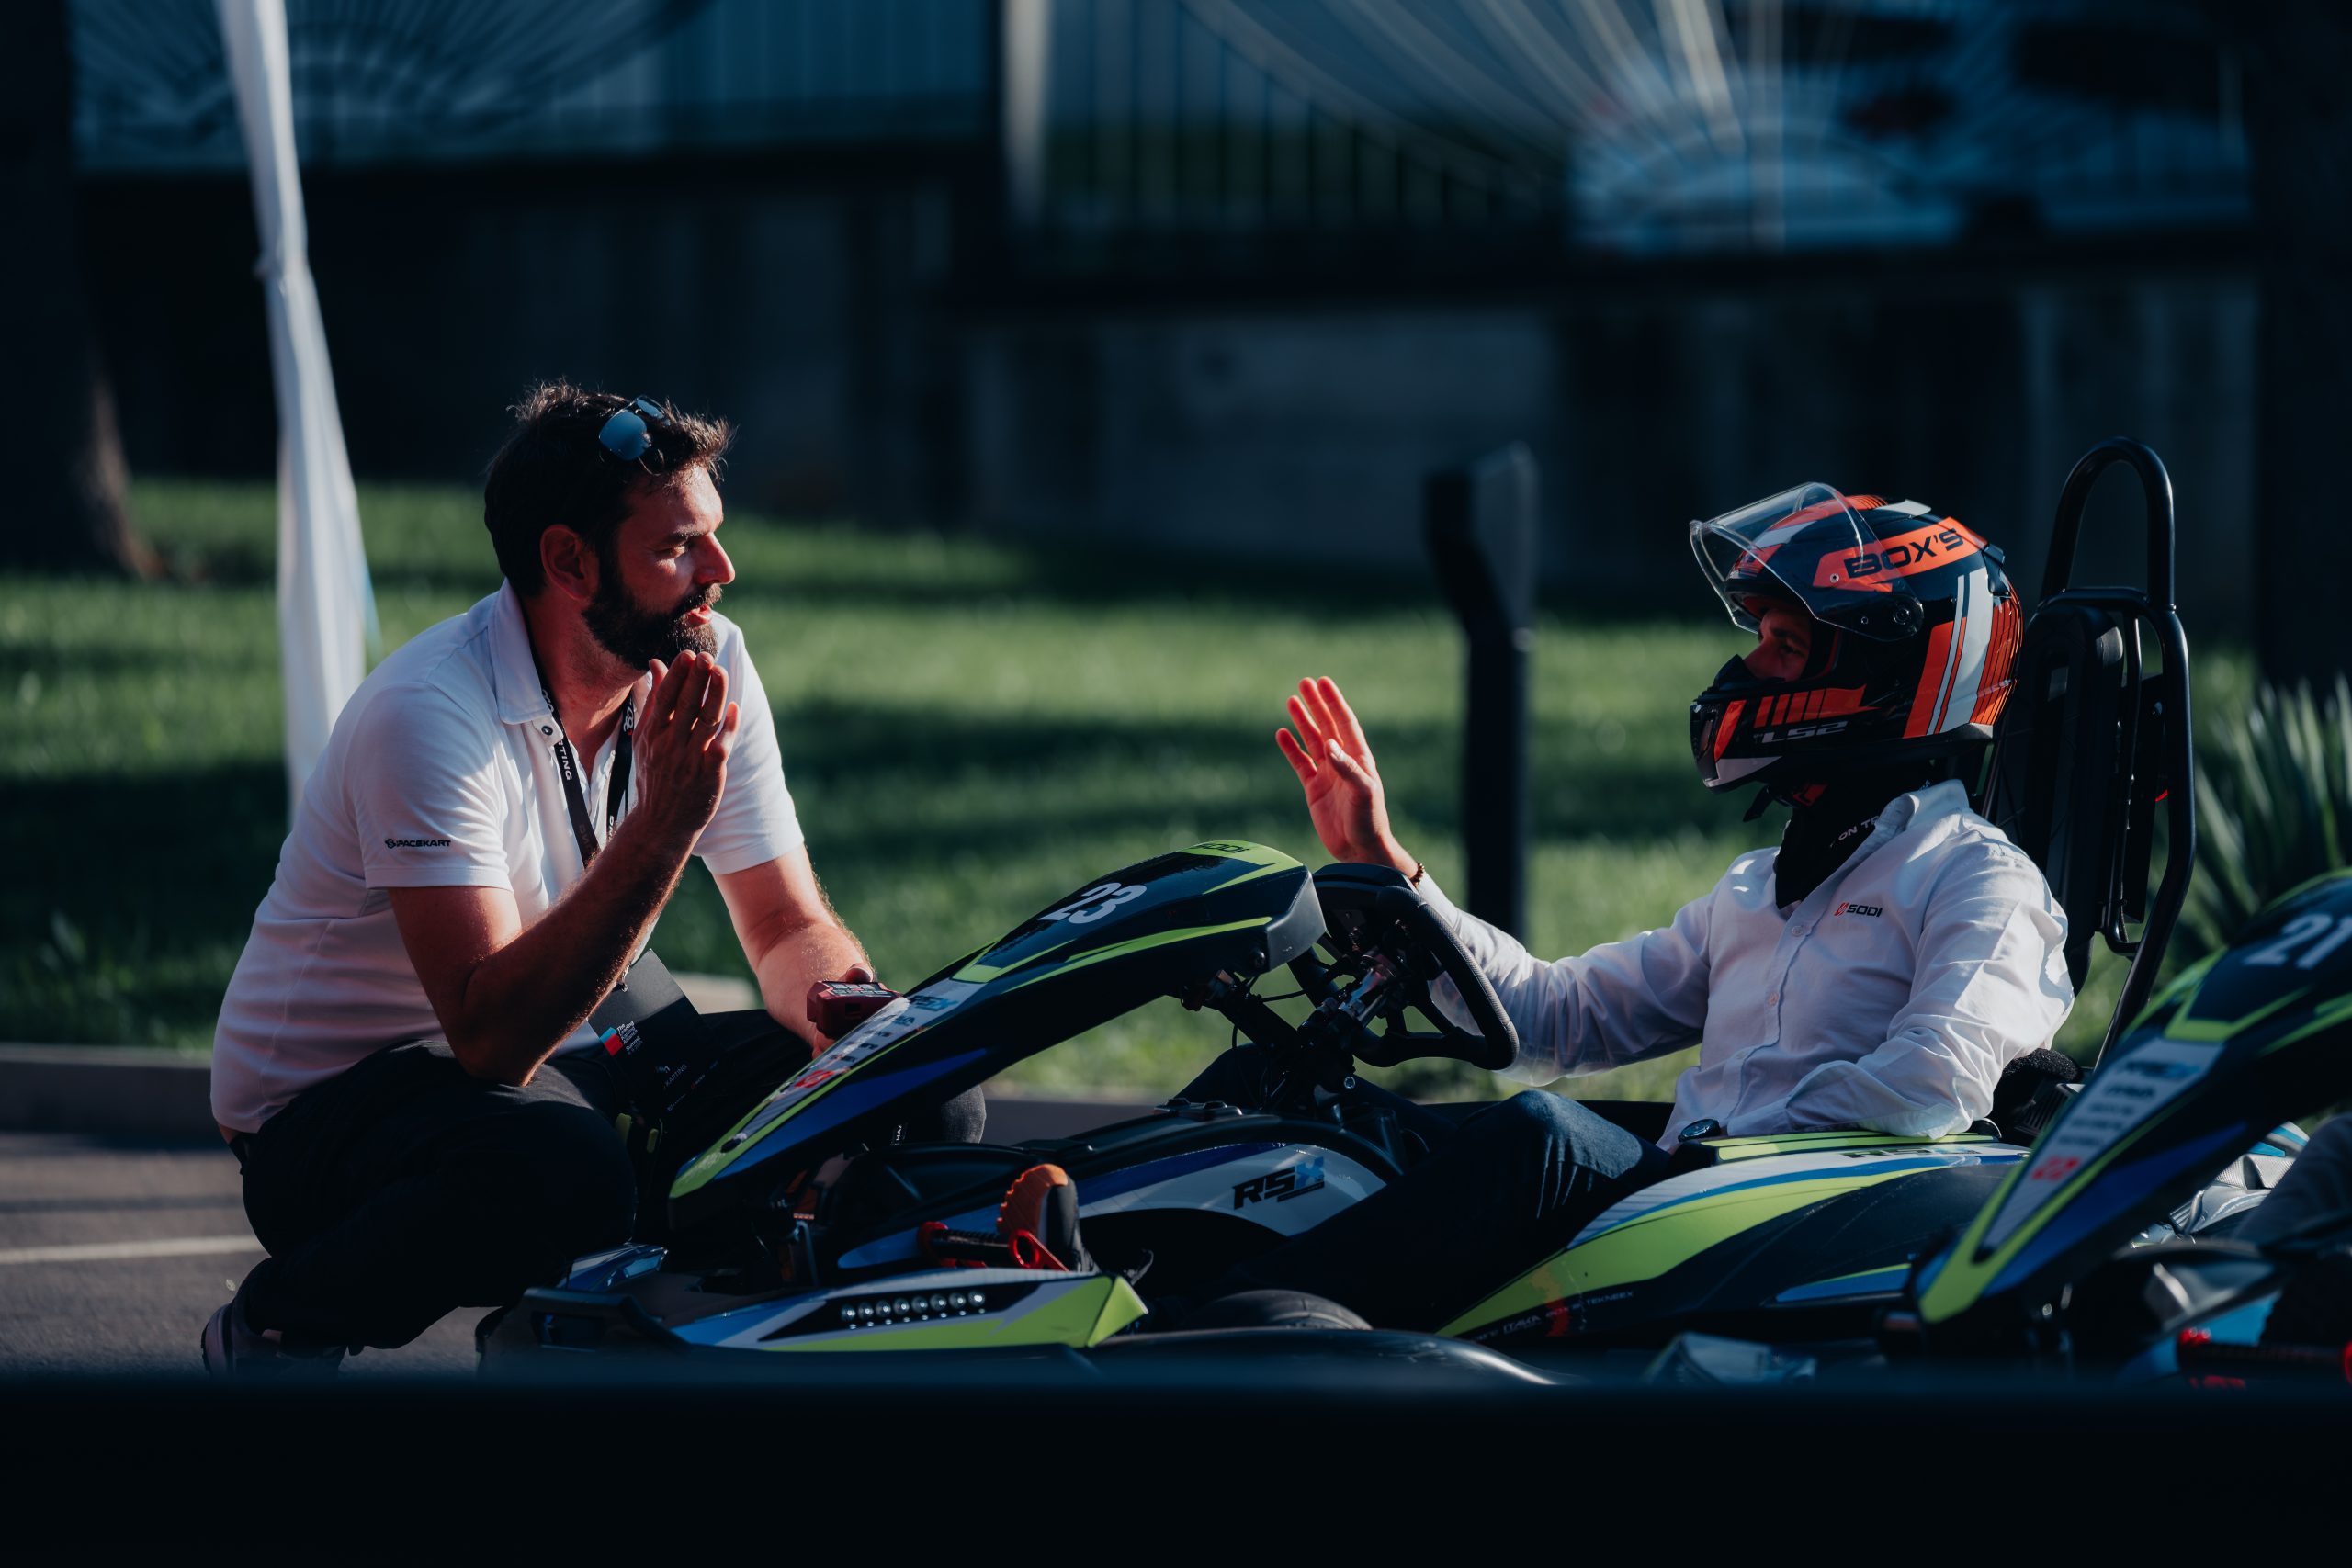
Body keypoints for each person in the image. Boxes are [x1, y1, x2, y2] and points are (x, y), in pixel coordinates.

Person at [201, 384, 974, 1375]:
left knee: (922, 1089)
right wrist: (662, 828)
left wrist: (847, 1013)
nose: (721, 571)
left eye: (714, 535)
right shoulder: (428, 713)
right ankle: (281, 1320)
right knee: (565, 1172)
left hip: (571, 1052)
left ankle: (705, 1346)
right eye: (677, 547)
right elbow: (489, 1038)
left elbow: (786, 923)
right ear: (569, 561)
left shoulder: (708, 657)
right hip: (331, 1112)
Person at [1177, 485, 2072, 1329]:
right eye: (1759, 636)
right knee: (1276, 1092)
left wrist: (1718, 1147)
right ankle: (1115, 1276)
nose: (1748, 667)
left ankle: (1188, 1343)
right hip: (1675, 1198)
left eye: (1785, 645)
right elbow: (1552, 1018)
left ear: (1890, 677)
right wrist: (1390, 865)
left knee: (1541, 1137)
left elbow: (1934, 1078)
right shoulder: (1754, 886)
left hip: (1765, 1228)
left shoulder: (1976, 879)